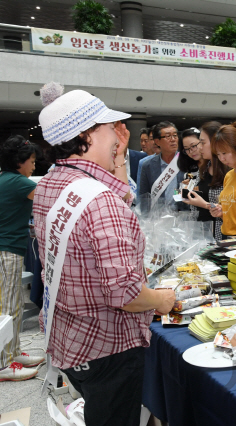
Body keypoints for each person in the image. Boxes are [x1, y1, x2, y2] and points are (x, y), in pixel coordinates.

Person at [32, 83, 175, 425]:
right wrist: (161, 299)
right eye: (111, 127)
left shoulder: (51, 185)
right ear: (87, 134)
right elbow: (124, 293)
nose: (118, 133)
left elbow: (107, 203)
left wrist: (117, 158)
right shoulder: (100, 202)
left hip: (70, 338)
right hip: (109, 348)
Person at [0, 136, 45, 381]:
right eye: (31, 160)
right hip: (6, 250)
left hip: (8, 249)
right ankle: (4, 364)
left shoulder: (6, 179)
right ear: (19, 161)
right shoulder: (19, 183)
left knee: (14, 304)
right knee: (8, 307)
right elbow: (47, 199)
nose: (34, 165)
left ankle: (13, 352)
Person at [182, 122, 230, 238]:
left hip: (222, 237)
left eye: (202, 143)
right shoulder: (204, 169)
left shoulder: (231, 172)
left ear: (216, 142)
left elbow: (232, 211)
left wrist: (204, 204)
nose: (199, 147)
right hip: (201, 235)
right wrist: (190, 191)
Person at [138, 121, 186, 211]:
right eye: (168, 136)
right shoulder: (148, 166)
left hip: (182, 217)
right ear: (157, 141)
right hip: (157, 219)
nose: (173, 139)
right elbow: (144, 198)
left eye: (175, 135)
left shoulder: (187, 162)